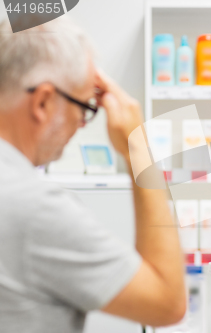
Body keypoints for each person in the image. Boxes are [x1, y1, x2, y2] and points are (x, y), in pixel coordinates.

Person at [0, 18, 186, 332]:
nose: (83, 123)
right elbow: (168, 303)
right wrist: (137, 148)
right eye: (84, 106)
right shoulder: (34, 208)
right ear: (43, 102)